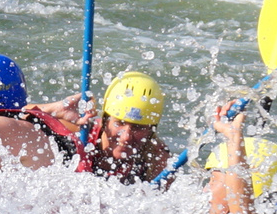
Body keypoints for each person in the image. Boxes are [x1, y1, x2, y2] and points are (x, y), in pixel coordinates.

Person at [24, 70, 174, 184]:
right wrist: (53, 109)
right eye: (119, 123)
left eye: (138, 127)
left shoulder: (157, 159)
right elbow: (14, 118)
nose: (126, 136)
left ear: (151, 130)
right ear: (105, 120)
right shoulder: (81, 129)